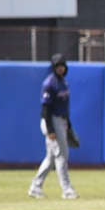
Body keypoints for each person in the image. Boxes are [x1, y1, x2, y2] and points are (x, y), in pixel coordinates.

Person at [28, 53, 79, 200]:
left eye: (62, 65)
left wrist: (68, 125)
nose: (60, 68)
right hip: (52, 121)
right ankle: (67, 189)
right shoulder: (50, 83)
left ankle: (35, 186)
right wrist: (50, 129)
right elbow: (45, 109)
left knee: (51, 157)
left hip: (61, 120)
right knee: (62, 156)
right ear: (53, 67)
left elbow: (64, 106)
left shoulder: (63, 82)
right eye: (57, 65)